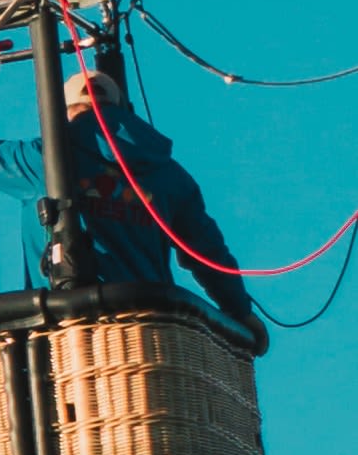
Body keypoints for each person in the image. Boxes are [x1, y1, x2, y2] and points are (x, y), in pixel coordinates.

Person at [58, 33, 267, 348]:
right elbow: (206, 252)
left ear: (63, 114)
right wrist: (239, 310)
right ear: (124, 109)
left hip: (69, 335)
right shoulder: (170, 175)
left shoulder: (43, 161)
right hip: (150, 335)